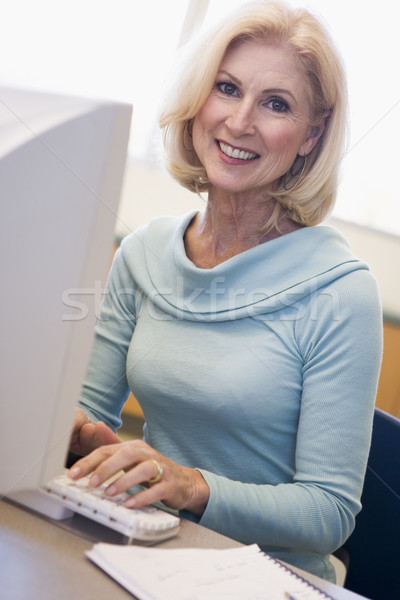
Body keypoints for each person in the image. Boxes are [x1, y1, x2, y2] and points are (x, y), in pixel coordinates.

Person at [69, 0, 382, 582]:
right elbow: (90, 412)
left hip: (269, 578)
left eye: (275, 104)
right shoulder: (142, 253)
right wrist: (71, 430)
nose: (239, 122)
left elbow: (329, 512)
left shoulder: (341, 293)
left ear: (312, 133)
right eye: (227, 88)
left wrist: (189, 484)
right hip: (143, 546)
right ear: (196, 102)